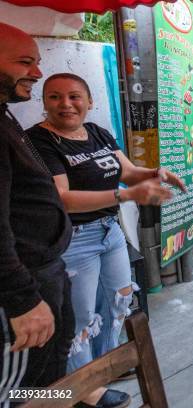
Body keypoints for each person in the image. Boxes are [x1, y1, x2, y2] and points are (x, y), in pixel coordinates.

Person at [28, 73, 185, 408]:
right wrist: (127, 194)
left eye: (74, 96)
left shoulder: (97, 132)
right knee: (79, 317)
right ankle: (85, 388)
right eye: (55, 97)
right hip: (73, 239)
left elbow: (127, 170)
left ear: (89, 101)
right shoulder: (39, 142)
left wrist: (154, 173)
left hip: (108, 231)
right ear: (43, 103)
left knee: (117, 299)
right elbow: (63, 198)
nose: (66, 104)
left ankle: (105, 367)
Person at [0, 23, 74, 403]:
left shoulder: (5, 115)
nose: (37, 73)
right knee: (21, 388)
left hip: (46, 268)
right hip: (24, 282)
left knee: (53, 369)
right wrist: (22, 300)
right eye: (25, 62)